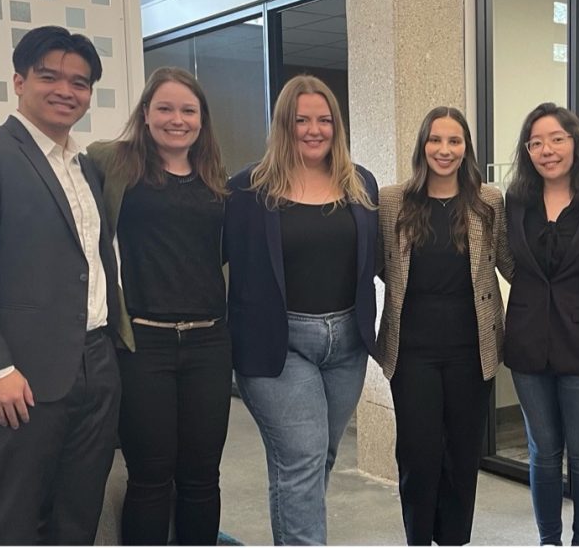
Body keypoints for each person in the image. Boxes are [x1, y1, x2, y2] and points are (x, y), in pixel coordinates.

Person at [0, 25, 121, 544]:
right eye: (49, 76)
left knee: (77, 519)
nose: (66, 90)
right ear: (19, 82)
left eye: (79, 82)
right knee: (11, 524)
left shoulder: (86, 167)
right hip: (18, 376)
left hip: (95, 366)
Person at [224, 74, 379, 545]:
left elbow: (380, 258)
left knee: (316, 458)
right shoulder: (247, 190)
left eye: (324, 120)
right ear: (283, 125)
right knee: (303, 458)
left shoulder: (360, 184)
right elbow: (203, 259)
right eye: (301, 120)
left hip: (347, 344)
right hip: (279, 344)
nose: (314, 130)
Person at [86, 67, 231, 545]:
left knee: (202, 476)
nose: (177, 119)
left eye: (188, 110)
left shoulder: (216, 178)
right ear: (145, 113)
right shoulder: (114, 164)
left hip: (209, 342)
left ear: (202, 118)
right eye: (165, 108)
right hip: (143, 343)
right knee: (150, 476)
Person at [376, 106, 514, 546]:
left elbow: (509, 262)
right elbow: (376, 264)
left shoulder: (488, 201)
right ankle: (418, 538)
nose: (445, 150)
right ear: (422, 145)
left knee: (461, 456)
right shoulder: (392, 200)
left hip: (472, 351)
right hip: (411, 351)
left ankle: (454, 539)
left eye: (455, 141)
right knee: (418, 455)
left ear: (466, 148)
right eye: (436, 140)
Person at [503, 102, 579, 547]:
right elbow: (510, 259)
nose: (546, 150)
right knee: (543, 452)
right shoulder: (516, 200)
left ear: (575, 142)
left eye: (556, 139)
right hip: (528, 341)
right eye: (535, 143)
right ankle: (548, 540)